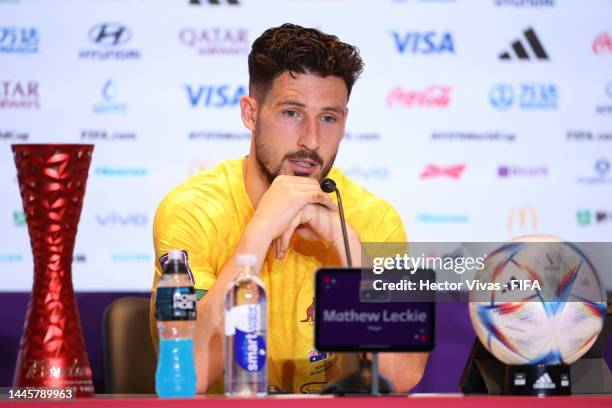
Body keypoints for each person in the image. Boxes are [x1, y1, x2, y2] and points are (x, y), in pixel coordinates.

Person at [150, 23, 428, 394]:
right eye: (292, 113)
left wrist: (348, 247)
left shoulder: (374, 217)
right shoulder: (191, 211)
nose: (311, 140)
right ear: (251, 113)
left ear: (344, 122)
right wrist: (259, 231)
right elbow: (188, 376)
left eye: (328, 118)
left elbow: (402, 376)